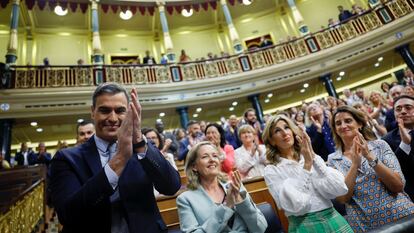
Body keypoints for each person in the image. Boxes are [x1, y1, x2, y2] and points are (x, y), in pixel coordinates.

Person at [49, 83, 181, 233]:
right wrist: (119, 160)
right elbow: (67, 214)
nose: (112, 118)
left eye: (120, 111)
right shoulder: (67, 158)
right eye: (104, 110)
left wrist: (138, 140)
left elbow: (172, 186)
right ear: (93, 112)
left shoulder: (142, 147)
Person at [328, 106, 414, 232]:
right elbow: (342, 199)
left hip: (402, 216)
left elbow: (398, 186)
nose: (343, 125)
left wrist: (369, 157)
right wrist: (355, 165)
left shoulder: (380, 145)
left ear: (360, 124)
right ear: (335, 130)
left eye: (348, 120)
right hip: (364, 225)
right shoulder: (333, 159)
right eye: (338, 123)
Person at [263, 114, 352, 232]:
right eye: (277, 130)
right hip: (304, 226)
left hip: (333, 219)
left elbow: (339, 188)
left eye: (287, 127)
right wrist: (307, 166)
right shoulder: (271, 170)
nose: (285, 133)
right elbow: (295, 205)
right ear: (272, 141)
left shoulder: (308, 156)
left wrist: (312, 155)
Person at [176, 141, 267, 233]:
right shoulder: (185, 200)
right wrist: (227, 206)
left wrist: (241, 202)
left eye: (215, 156)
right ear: (194, 167)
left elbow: (260, 228)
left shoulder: (235, 185)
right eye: (205, 157)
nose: (212, 159)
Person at [383, 95, 414, 200]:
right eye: (398, 109)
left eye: (408, 107)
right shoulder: (386, 140)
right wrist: (404, 144)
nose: (403, 112)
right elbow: (393, 170)